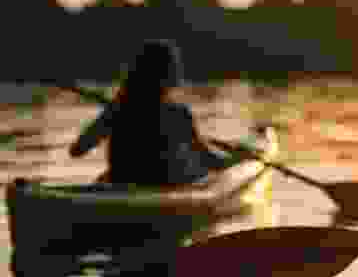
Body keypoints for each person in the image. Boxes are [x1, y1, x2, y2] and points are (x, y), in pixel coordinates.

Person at [69, 39, 235, 185]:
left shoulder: (116, 109)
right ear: (169, 74)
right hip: (164, 183)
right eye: (175, 66)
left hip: (122, 180)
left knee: (104, 177)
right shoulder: (179, 114)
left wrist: (108, 117)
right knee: (195, 167)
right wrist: (237, 161)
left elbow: (76, 150)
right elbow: (207, 159)